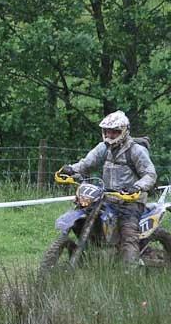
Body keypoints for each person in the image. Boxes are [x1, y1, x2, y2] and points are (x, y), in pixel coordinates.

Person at [60, 110, 157, 263]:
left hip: (130, 201)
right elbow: (86, 164)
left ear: (124, 131)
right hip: (106, 198)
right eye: (107, 131)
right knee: (81, 216)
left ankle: (129, 272)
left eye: (114, 132)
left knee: (128, 235)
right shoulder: (103, 148)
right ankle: (86, 255)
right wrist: (72, 169)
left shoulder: (136, 151)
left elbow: (150, 174)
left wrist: (137, 187)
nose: (110, 135)